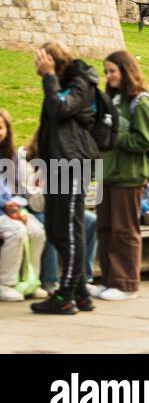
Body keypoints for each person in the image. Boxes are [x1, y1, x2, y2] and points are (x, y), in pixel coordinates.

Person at [29, 42, 100, 315]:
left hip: (73, 166)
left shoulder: (80, 83)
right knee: (57, 229)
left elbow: (60, 108)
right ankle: (81, 294)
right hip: (58, 166)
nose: (38, 69)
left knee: (70, 231)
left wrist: (48, 77)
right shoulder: (61, 83)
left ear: (54, 63)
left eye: (43, 64)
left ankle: (65, 298)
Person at [89, 51, 149, 302]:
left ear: (126, 71)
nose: (108, 76)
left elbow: (146, 140)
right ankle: (108, 280)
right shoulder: (112, 100)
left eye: (112, 71)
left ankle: (126, 282)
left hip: (129, 177)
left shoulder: (140, 102)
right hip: (108, 175)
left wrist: (114, 135)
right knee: (105, 229)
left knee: (124, 231)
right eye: (106, 71)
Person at [0, 110, 47, 302]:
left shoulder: (8, 156)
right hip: (3, 211)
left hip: (8, 210)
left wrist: (17, 208)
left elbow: (14, 190)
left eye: (1, 127)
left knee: (38, 231)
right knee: (16, 231)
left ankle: (31, 281)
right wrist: (7, 205)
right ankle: (5, 284)